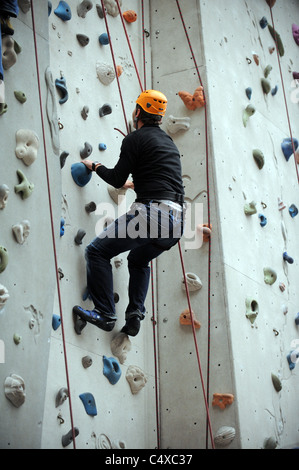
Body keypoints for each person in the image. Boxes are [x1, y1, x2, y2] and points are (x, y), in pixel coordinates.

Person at [73, 89, 185, 336]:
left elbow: (115, 177)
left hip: (152, 213)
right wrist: (135, 184)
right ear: (160, 117)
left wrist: (95, 165)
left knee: (96, 251)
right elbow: (161, 176)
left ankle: (105, 313)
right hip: (176, 222)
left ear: (137, 112)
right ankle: (135, 313)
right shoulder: (169, 143)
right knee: (138, 260)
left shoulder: (134, 139)